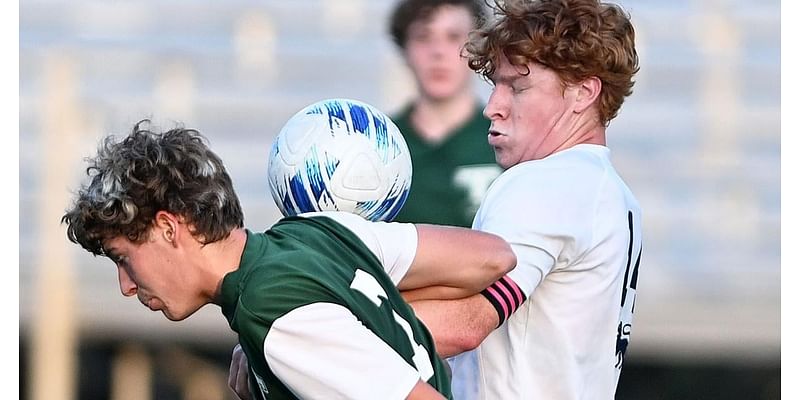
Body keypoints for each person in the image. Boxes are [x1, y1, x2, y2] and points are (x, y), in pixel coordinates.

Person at [61, 121, 517, 400]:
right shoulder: (315, 232)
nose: (126, 284)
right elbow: (491, 256)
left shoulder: (273, 313)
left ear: (168, 227)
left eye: (123, 258)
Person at [406, 0, 644, 398]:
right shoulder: (610, 192)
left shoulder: (549, 182)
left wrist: (325, 317)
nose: (492, 108)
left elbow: (464, 325)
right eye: (494, 85)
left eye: (516, 87)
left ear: (584, 92)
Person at [388, 0, 501, 227]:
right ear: (404, 49)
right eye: (423, 37)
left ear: (478, 48)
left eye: (453, 37)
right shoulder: (380, 144)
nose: (438, 52)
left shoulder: (509, 141)